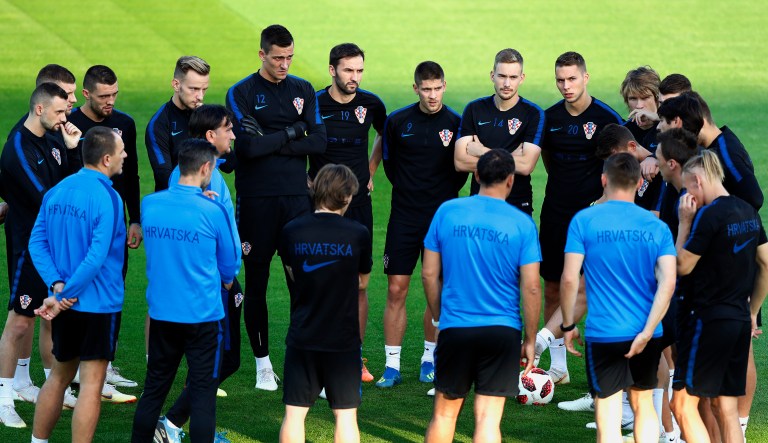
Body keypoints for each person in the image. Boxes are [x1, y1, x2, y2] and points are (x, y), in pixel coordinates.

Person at [226, 24, 326, 391]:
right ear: (262, 54)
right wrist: (291, 132)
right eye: (278, 57)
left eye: (289, 57)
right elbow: (247, 150)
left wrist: (270, 139)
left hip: (298, 200)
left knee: (304, 282)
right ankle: (263, 366)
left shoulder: (302, 89)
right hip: (256, 201)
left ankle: (305, 361)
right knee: (257, 283)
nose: (284, 64)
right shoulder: (241, 92)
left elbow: (319, 140)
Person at [422, 149, 541, 442]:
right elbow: (531, 287)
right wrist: (530, 338)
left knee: (444, 415)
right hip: (502, 331)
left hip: (456, 326)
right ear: (511, 181)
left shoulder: (447, 211)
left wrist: (440, 317)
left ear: (476, 176)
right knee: (488, 420)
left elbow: (428, 274)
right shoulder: (522, 223)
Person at [561, 153, 677, 443]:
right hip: (646, 334)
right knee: (643, 406)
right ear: (639, 182)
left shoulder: (584, 220)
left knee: (607, 412)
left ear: (604, 180)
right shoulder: (657, 227)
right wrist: (649, 331)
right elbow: (668, 283)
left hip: (604, 334)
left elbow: (569, 279)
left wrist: (566, 325)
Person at [131, 139, 241, 443]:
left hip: (163, 314)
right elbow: (230, 264)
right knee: (203, 396)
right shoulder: (212, 208)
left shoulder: (150, 204)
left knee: (154, 392)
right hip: (203, 317)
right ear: (206, 168)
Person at [27, 126, 127, 443]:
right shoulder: (109, 196)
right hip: (98, 304)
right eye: (122, 150)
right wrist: (66, 293)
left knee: (58, 376)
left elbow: (36, 243)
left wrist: (57, 288)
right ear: (107, 158)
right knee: (92, 384)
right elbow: (96, 257)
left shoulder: (57, 191)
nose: (126, 155)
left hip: (64, 304)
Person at [377, 61, 467, 388]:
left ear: (445, 85)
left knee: (436, 288)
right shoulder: (398, 121)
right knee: (396, 288)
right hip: (404, 216)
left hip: (441, 219)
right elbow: (390, 165)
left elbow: (461, 170)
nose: (432, 95)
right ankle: (391, 365)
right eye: (425, 89)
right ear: (415, 88)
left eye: (437, 88)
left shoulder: (456, 123)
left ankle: (429, 358)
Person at [537, 51, 623, 384]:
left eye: (572, 79)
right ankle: (557, 368)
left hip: (594, 218)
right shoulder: (549, 118)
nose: (566, 86)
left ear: (585, 77)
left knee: (595, 291)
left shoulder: (606, 118)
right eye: (560, 80)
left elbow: (621, 162)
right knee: (553, 287)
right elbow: (546, 158)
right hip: (557, 213)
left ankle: (600, 378)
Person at [0, 83, 81, 428]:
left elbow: (67, 181)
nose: (66, 117)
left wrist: (74, 150)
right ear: (39, 109)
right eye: (61, 111)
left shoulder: (53, 136)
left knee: (49, 314)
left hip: (51, 241)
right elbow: (49, 198)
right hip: (28, 245)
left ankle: (37, 384)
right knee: (19, 322)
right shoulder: (18, 147)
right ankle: (3, 398)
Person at [672, 150, 768, 443]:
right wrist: (752, 311)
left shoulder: (708, 215)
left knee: (682, 405)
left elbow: (682, 266)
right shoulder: (748, 210)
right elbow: (765, 263)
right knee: (725, 407)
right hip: (738, 319)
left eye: (688, 188)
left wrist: (684, 222)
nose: (688, 196)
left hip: (708, 320)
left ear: (698, 181)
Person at [277, 164, 371, 443]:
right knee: (345, 416)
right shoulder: (358, 232)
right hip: (342, 340)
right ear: (346, 197)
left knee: (294, 414)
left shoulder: (292, 230)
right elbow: (363, 282)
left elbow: (293, 272)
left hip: (303, 334)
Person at [311, 43, 386, 382]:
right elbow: (296, 148)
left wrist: (370, 171)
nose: (354, 77)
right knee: (320, 281)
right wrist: (307, 181)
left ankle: (354, 356)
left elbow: (385, 135)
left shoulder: (371, 104)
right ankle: (318, 356)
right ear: (332, 70)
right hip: (321, 207)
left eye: (359, 71)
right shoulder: (313, 103)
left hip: (357, 206)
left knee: (359, 284)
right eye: (348, 71)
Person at [67, 64, 141, 394]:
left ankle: (104, 365)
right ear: (86, 94)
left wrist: (135, 218)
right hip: (77, 224)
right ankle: (74, 366)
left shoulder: (124, 124)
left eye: (114, 94)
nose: (110, 101)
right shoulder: (70, 126)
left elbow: (133, 175)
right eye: (103, 96)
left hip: (114, 222)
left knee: (112, 287)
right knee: (77, 289)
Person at [454, 48, 544, 215]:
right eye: (502, 76)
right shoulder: (474, 109)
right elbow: (460, 162)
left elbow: (525, 166)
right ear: (492, 76)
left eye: (513, 77)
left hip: (517, 204)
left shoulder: (534, 114)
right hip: (480, 203)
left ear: (522, 78)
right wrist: (511, 159)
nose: (507, 84)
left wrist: (481, 152)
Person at [145, 56, 210, 192]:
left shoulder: (206, 117)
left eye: (204, 89)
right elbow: (164, 176)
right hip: (175, 207)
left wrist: (211, 126)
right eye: (194, 89)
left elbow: (229, 165)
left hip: (206, 202)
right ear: (176, 85)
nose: (200, 97)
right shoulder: (159, 124)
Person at [595, 123, 662, 211]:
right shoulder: (620, 171)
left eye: (618, 158)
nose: (615, 164)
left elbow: (659, 216)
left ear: (632, 146)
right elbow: (606, 200)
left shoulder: (658, 170)